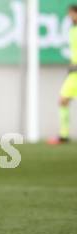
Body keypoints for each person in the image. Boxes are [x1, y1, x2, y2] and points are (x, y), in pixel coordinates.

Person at [49, 4, 77, 144]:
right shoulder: (72, 29)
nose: (70, 17)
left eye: (71, 14)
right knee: (63, 101)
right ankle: (64, 134)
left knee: (63, 101)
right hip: (74, 72)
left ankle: (64, 135)